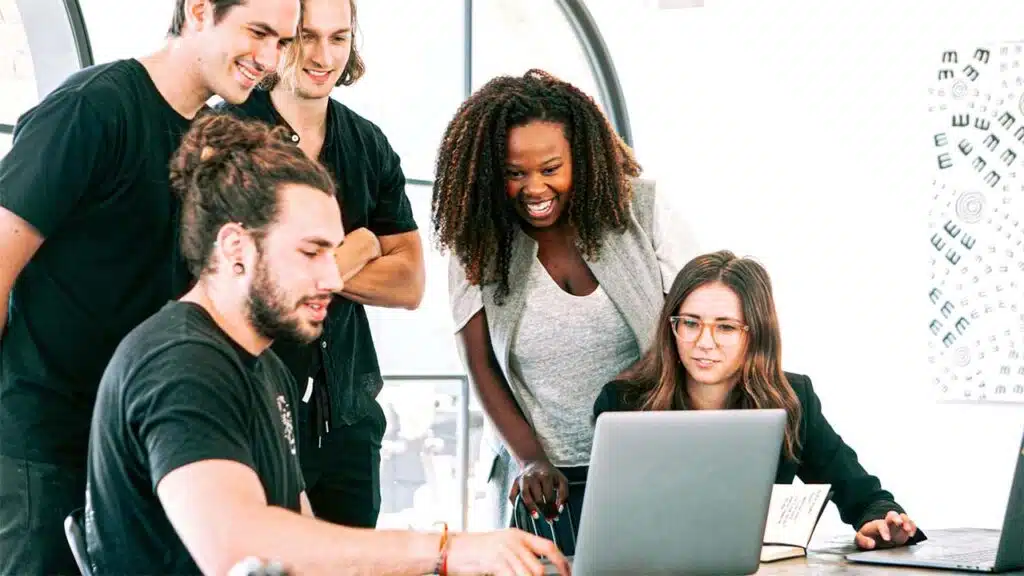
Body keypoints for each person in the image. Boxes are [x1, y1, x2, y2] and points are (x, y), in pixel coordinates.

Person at [84, 113, 569, 576]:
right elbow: (244, 552)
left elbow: (306, 539)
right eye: (312, 252)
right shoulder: (181, 365)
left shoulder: (266, 368)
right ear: (236, 248)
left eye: (332, 252)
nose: (332, 276)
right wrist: (447, 551)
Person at [0, 0, 298, 572]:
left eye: (282, 42)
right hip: (48, 447)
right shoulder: (93, 109)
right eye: (258, 32)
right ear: (200, 11)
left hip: (141, 447)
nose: (269, 59)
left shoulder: (214, 140)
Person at [433, 69, 697, 530]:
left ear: (583, 157)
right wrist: (530, 459)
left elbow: (692, 330)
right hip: (542, 480)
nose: (534, 188)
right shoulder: (476, 238)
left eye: (550, 169)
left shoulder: (642, 209)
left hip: (648, 461)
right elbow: (481, 364)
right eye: (515, 173)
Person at [219, 0, 424, 528]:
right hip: (252, 414)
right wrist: (358, 247)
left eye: (339, 37)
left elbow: (409, 284)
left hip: (349, 421)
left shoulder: (369, 144)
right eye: (307, 36)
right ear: (282, 38)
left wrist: (307, 264)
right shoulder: (225, 135)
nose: (323, 55)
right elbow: (247, 276)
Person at [593, 250, 926, 551]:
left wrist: (881, 521)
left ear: (755, 334)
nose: (704, 342)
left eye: (725, 327)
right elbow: (610, 523)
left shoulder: (792, 400)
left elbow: (862, 493)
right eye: (691, 323)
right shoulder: (623, 403)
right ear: (672, 328)